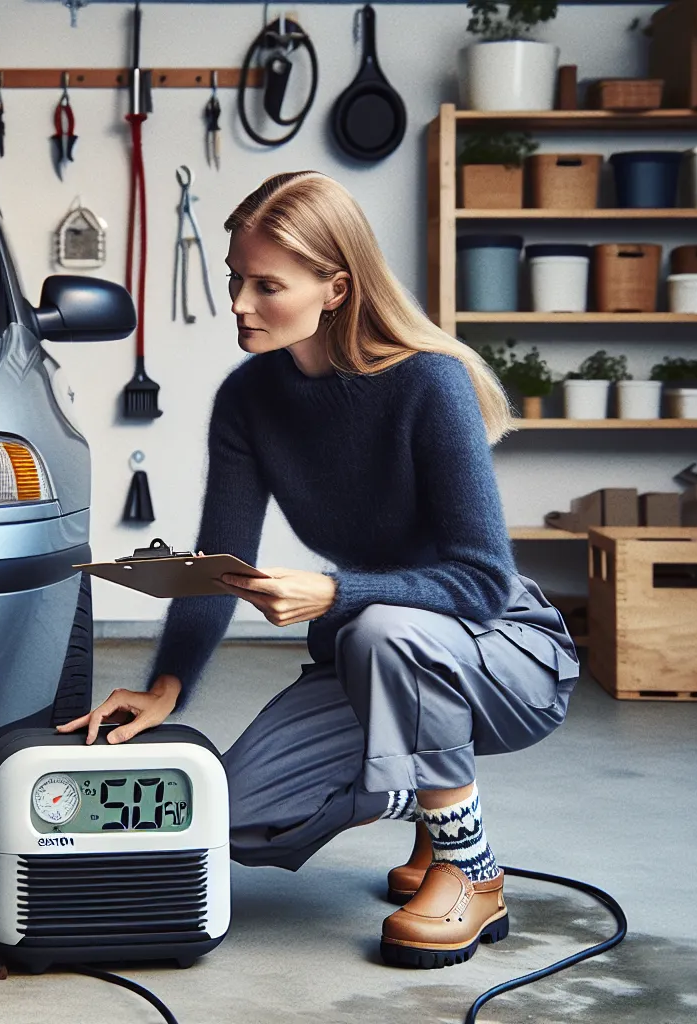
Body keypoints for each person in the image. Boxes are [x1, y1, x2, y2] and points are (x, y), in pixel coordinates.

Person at [56, 170, 579, 970]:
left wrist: (337, 592)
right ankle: (425, 798)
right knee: (237, 817)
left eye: (268, 285)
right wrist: (165, 688)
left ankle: (473, 874)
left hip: (503, 651)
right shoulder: (248, 399)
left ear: (335, 288)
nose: (238, 302)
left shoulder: (427, 383)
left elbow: (479, 581)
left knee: (379, 628)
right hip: (379, 652)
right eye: (236, 277)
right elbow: (220, 562)